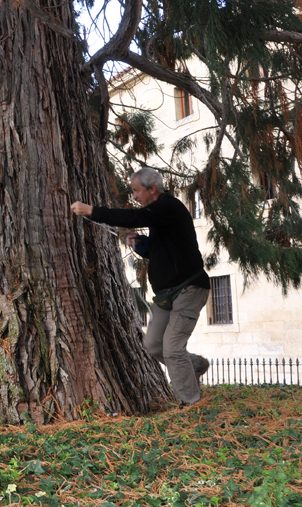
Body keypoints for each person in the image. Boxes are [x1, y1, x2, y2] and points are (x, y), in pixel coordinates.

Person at [71, 167, 211, 407]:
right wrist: (139, 244)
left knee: (172, 348)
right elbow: (159, 252)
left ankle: (192, 404)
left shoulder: (169, 206)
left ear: (152, 189)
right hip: (167, 295)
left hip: (189, 289)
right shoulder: (159, 217)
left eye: (136, 191)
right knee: (153, 344)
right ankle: (195, 366)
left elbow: (134, 217)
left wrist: (92, 211)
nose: (134, 196)